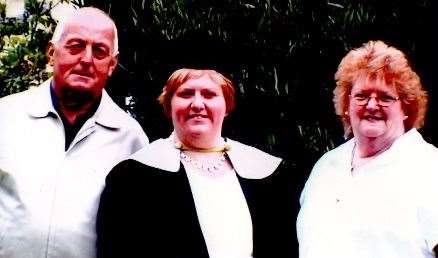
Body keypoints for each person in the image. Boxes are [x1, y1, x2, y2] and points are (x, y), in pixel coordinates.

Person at [96, 68, 298, 258]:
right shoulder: (132, 178)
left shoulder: (269, 175)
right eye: (186, 94)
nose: (198, 104)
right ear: (169, 105)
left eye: (210, 94)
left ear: (226, 105)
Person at [0, 7, 148, 258]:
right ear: (51, 53)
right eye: (76, 46)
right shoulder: (6, 116)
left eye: (99, 51)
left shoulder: (130, 138)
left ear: (112, 64)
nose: (87, 59)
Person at [297, 40, 438, 258]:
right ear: (347, 104)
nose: (372, 105)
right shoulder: (326, 167)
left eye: (385, 97)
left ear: (406, 108)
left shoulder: (428, 166)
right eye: (362, 95)